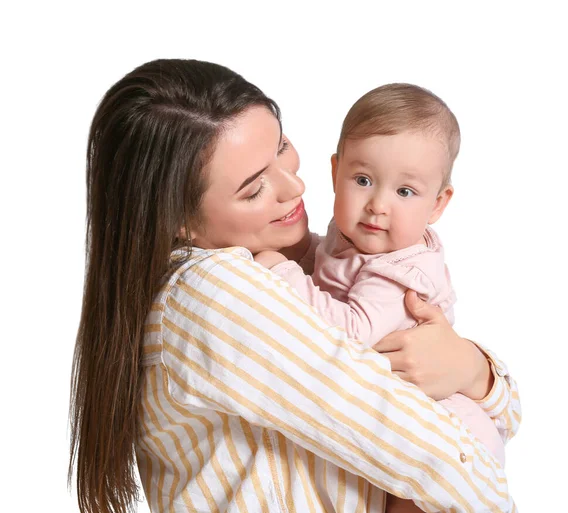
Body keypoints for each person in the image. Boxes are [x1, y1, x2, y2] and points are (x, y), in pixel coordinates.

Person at [69, 59, 521, 513]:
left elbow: (487, 411)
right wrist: (482, 398)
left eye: (281, 147)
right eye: (253, 189)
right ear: (180, 220)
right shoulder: (215, 290)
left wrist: (473, 370)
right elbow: (415, 440)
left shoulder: (298, 261)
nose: (295, 185)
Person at [254, 83, 507, 512]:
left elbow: (352, 331)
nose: (377, 205)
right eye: (363, 180)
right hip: (403, 423)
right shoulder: (350, 237)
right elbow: (326, 272)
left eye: (404, 192)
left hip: (446, 435)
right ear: (335, 173)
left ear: (438, 204)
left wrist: (278, 270)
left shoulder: (400, 271)